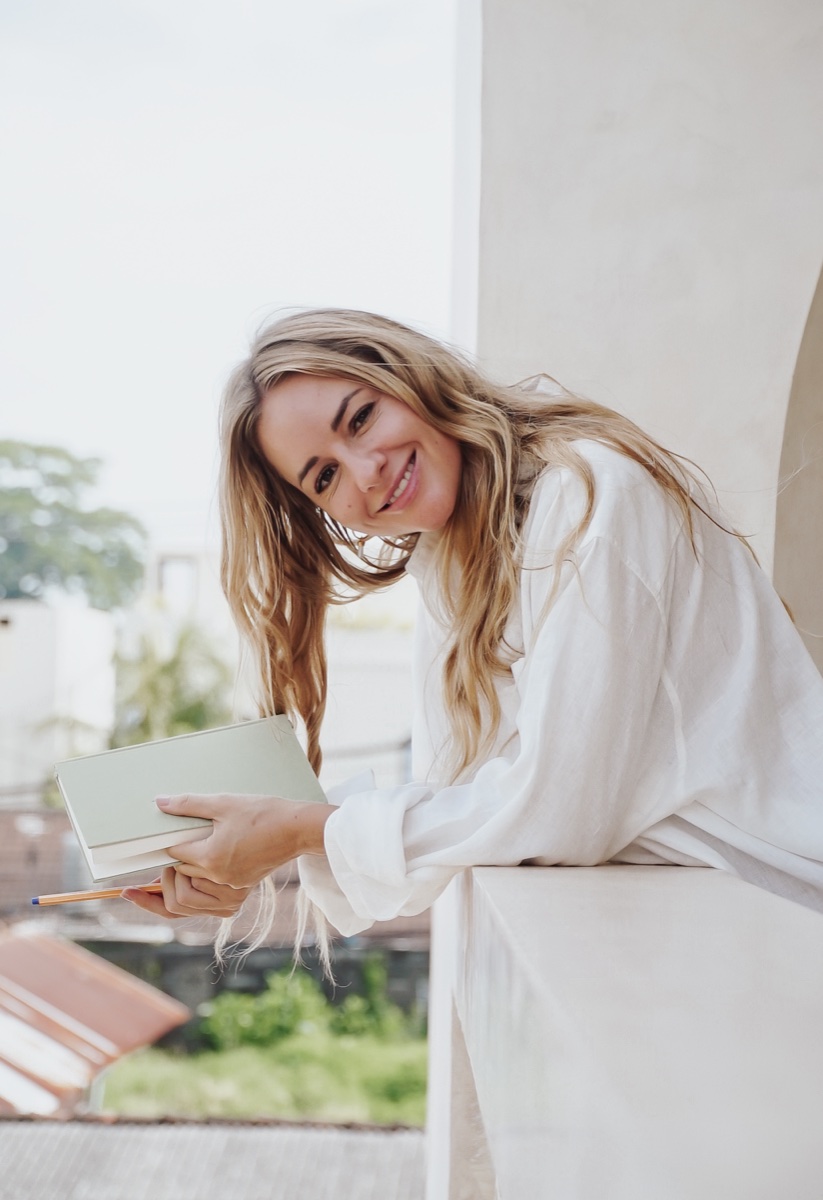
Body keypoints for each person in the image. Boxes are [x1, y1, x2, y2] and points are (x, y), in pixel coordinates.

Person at [124, 307, 823, 944]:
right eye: (324, 477)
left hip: (784, 900)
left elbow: (555, 812)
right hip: (717, 926)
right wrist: (255, 842)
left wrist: (299, 831)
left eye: (360, 419)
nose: (365, 474)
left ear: (410, 377)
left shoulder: (590, 495)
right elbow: (476, 803)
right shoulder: (454, 567)